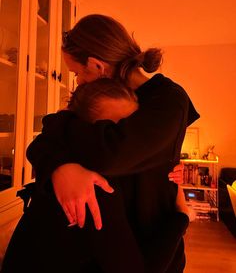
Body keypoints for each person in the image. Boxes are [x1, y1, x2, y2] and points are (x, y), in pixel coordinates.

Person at [8, 14, 199, 271]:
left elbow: (108, 155)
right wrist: (62, 168)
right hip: (106, 236)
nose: (77, 82)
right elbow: (42, 143)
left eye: (77, 72)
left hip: (145, 237)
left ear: (98, 66)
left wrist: (62, 130)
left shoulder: (168, 99)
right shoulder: (102, 103)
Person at [2, 78, 189, 273]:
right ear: (84, 130)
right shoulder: (92, 184)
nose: (127, 143)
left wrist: (163, 165)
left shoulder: (71, 154)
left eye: (129, 128)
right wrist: (182, 216)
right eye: (110, 130)